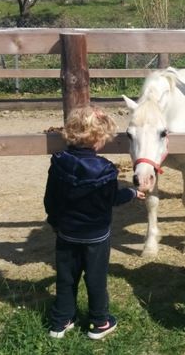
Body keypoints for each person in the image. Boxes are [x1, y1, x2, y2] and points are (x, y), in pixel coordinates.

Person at [44, 105, 145, 340]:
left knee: (66, 277)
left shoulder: (59, 162)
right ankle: (100, 322)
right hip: (96, 236)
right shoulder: (106, 170)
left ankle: (61, 322)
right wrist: (131, 193)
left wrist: (55, 222)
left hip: (66, 232)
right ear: (98, 139)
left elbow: (50, 199)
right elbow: (112, 199)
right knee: (96, 278)